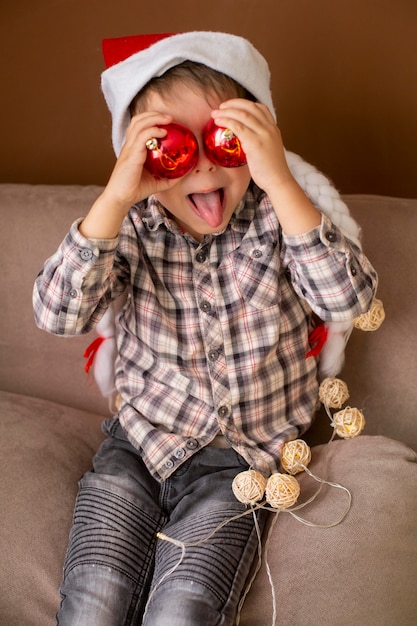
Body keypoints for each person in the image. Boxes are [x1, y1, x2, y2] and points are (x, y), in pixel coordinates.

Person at [33, 31, 378, 626]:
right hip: (136, 449)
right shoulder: (132, 226)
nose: (202, 166)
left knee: (184, 612)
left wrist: (281, 181)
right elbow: (57, 314)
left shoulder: (280, 218)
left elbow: (347, 299)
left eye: (227, 140)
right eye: (171, 148)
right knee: (92, 605)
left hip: (239, 470)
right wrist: (115, 199)